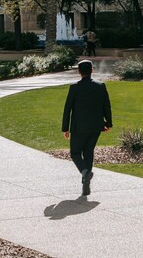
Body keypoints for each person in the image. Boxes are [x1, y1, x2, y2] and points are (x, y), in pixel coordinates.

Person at [62, 60, 112, 196]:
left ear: (79, 71)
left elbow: (68, 109)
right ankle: (86, 184)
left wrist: (65, 128)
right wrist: (108, 123)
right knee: (88, 152)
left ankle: (85, 172)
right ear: (92, 71)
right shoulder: (100, 86)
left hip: (79, 127)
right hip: (96, 126)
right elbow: (106, 106)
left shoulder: (74, 88)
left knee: (75, 153)